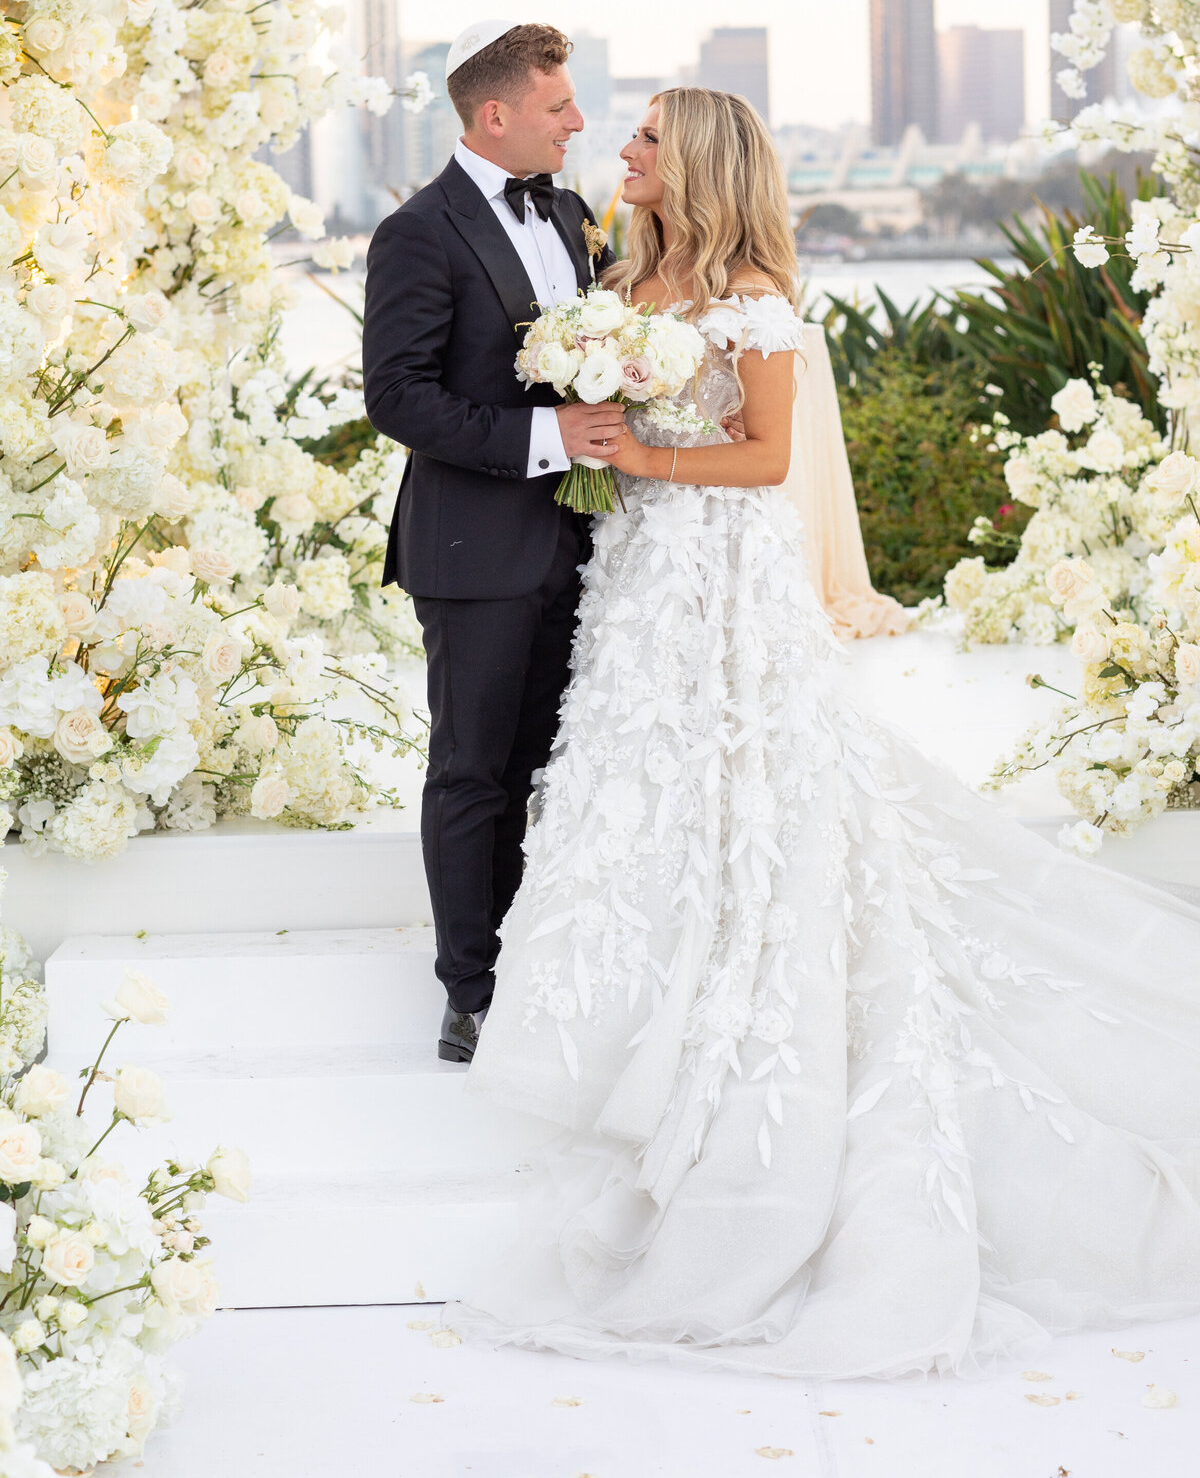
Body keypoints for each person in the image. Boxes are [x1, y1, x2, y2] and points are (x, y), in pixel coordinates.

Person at [451, 86, 1200, 1379]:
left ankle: (745, 1010)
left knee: (752, 790)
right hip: (642, 585)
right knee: (642, 783)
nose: (617, 153)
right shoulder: (622, 279)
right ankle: (642, 1016)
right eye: (619, 135)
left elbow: (764, 458)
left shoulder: (756, 300)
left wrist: (645, 459)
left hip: (724, 578)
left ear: (688, 163)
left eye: (638, 140)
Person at [362, 21, 616, 1064]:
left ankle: (541, 963)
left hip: (579, 542)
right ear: (494, 114)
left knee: (553, 763)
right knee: (472, 771)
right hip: (472, 552)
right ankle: (469, 991)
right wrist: (550, 436)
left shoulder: (566, 210)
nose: (578, 122)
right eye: (559, 108)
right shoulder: (419, 232)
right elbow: (398, 397)